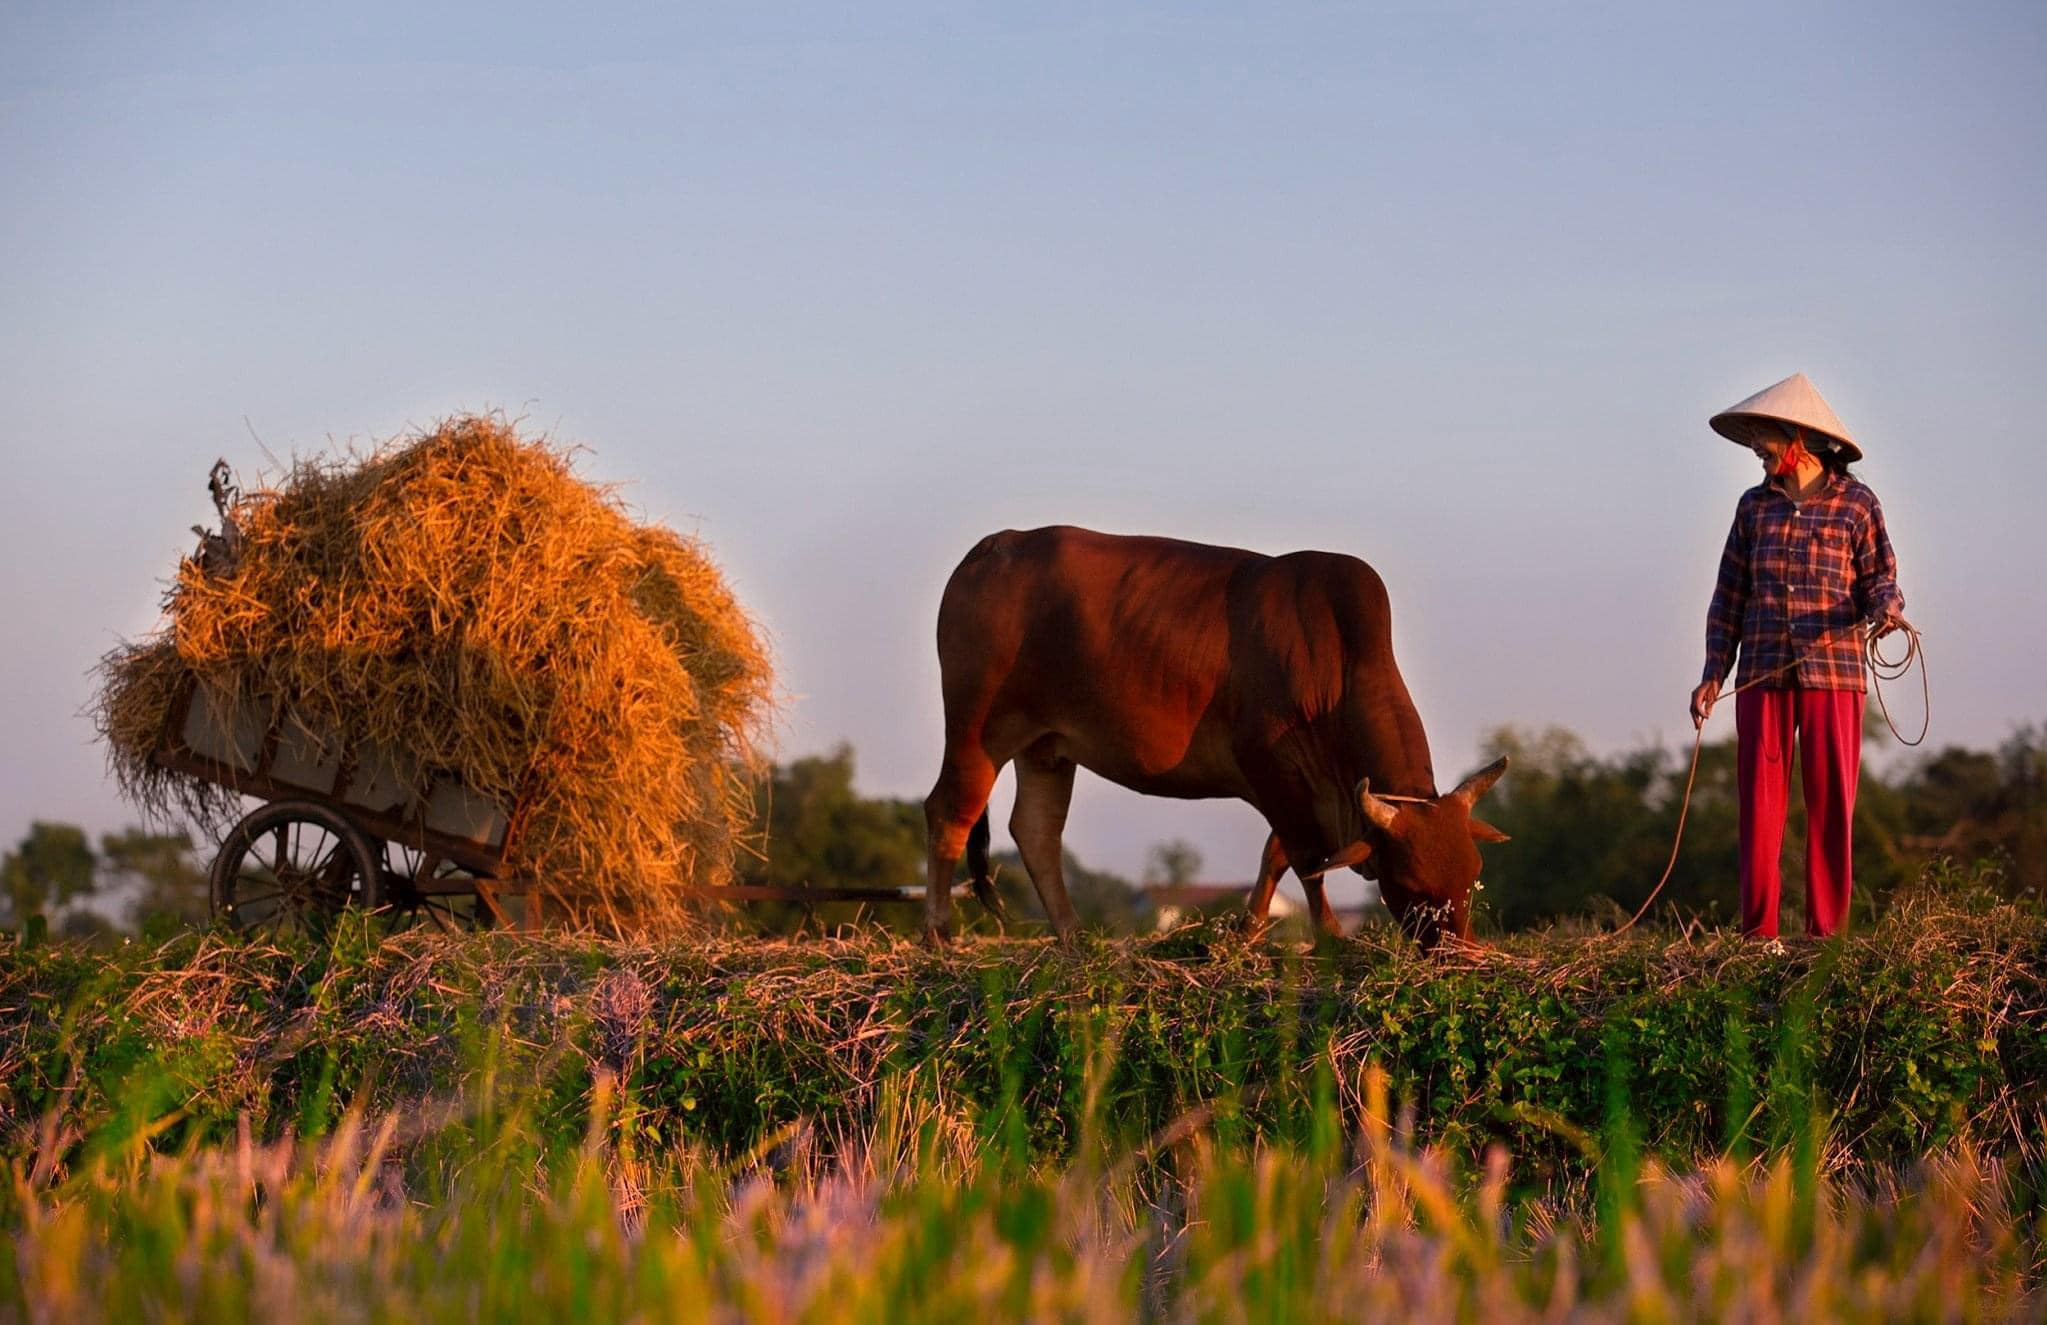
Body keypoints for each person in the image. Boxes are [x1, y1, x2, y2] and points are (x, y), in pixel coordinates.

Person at [1688, 373, 1908, 939]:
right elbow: (1729, 595)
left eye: (1765, 444)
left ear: (1798, 441)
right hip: (1761, 672)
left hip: (1834, 675)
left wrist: (1886, 610)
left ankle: (1825, 935)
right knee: (1759, 809)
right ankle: (1758, 934)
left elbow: (1880, 577)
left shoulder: (1857, 504)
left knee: (1832, 805)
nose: (1758, 454)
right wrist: (1715, 673)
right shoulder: (1753, 508)